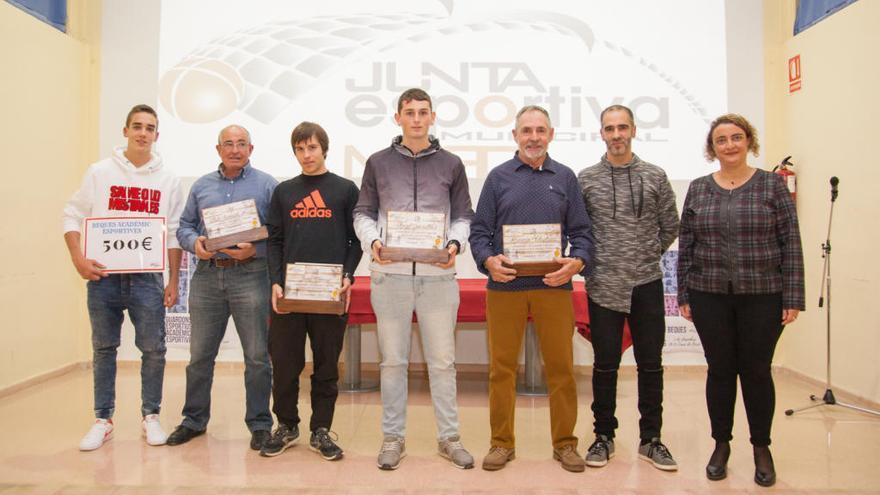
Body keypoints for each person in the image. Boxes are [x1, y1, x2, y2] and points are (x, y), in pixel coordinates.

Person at [677, 114, 805, 487]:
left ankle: (761, 447)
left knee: (756, 372)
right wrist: (685, 293)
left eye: (737, 137)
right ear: (712, 147)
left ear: (749, 141)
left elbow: (791, 243)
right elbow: (687, 246)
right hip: (709, 295)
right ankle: (721, 444)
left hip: (763, 296)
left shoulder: (771, 186)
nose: (730, 145)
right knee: (719, 371)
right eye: (721, 140)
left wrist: (793, 295)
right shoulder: (700, 189)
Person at [353, 88, 475, 470]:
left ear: (433, 116)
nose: (417, 119)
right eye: (410, 112)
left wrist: (454, 243)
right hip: (389, 276)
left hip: (439, 276)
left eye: (423, 112)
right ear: (398, 118)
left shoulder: (452, 164)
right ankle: (393, 439)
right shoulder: (376, 162)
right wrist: (372, 241)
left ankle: (449, 438)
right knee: (392, 362)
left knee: (442, 363)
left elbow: (464, 215)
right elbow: (363, 212)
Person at [469, 105, 594, 473]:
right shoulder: (497, 178)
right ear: (515, 136)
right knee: (501, 369)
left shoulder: (566, 177)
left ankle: (565, 444)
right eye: (526, 130)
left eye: (540, 130)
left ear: (551, 135)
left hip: (553, 286)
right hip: (505, 286)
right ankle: (501, 443)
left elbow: (583, 233)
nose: (534, 137)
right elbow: (479, 232)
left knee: (560, 368)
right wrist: (488, 260)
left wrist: (577, 261)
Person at [62, 104, 183, 451]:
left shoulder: (169, 179)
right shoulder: (99, 172)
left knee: (154, 349)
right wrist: (78, 259)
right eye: (137, 127)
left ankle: (151, 417)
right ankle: (103, 419)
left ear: (157, 136)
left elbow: (173, 233)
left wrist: (173, 280)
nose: (143, 133)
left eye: (150, 128)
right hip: (104, 278)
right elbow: (72, 215)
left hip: (148, 280)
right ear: (126, 131)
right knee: (104, 348)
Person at [577, 105, 680, 471]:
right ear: (601, 134)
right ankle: (603, 436)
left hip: (646, 283)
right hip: (603, 284)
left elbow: (670, 224)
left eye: (622, 127)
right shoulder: (586, 179)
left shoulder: (655, 176)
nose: (616, 134)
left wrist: (646, 253)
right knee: (605, 365)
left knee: (651, 365)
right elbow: (580, 231)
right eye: (609, 128)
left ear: (633, 130)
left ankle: (651, 439)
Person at [167, 125, 277, 450]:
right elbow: (185, 226)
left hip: (251, 274)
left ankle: (259, 424)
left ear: (251, 149)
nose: (234, 150)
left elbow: (278, 230)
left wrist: (255, 250)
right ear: (218, 150)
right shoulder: (202, 185)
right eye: (228, 144)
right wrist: (195, 243)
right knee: (199, 355)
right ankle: (193, 420)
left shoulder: (268, 184)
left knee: (257, 356)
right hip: (207, 276)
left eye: (241, 144)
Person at [260, 122, 363, 460]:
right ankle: (287, 426)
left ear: (324, 149)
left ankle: (321, 430)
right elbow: (274, 240)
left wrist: (348, 275)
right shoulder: (285, 191)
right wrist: (276, 280)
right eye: (300, 149)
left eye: (312, 148)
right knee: (286, 365)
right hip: (290, 295)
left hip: (330, 296)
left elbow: (355, 241)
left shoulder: (345, 189)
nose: (307, 155)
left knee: (327, 367)